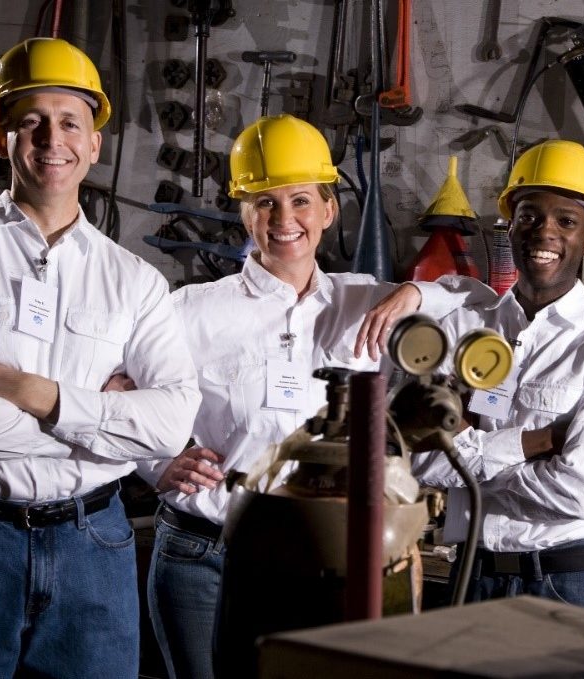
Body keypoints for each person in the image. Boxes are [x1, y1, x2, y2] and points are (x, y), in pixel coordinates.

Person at [137, 114, 487, 679]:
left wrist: (413, 291)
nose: (284, 220)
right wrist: (155, 463)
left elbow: (485, 305)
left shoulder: (364, 300)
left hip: (329, 554)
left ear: (328, 211)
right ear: (243, 213)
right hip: (208, 553)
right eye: (264, 203)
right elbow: (111, 394)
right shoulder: (192, 312)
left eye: (301, 201)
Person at [0, 37, 201, 677]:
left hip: (94, 546)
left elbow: (171, 425)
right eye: (28, 121)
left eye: (69, 123)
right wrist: (105, 427)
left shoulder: (136, 282)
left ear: (94, 144)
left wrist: (32, 392)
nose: (50, 139)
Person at [382, 139, 584, 611]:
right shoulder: (466, 327)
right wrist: (533, 444)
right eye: (529, 216)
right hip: (472, 577)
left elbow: (580, 492)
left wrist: (469, 457)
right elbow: (419, 461)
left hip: (565, 584)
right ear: (511, 227)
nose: (544, 232)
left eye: (566, 220)